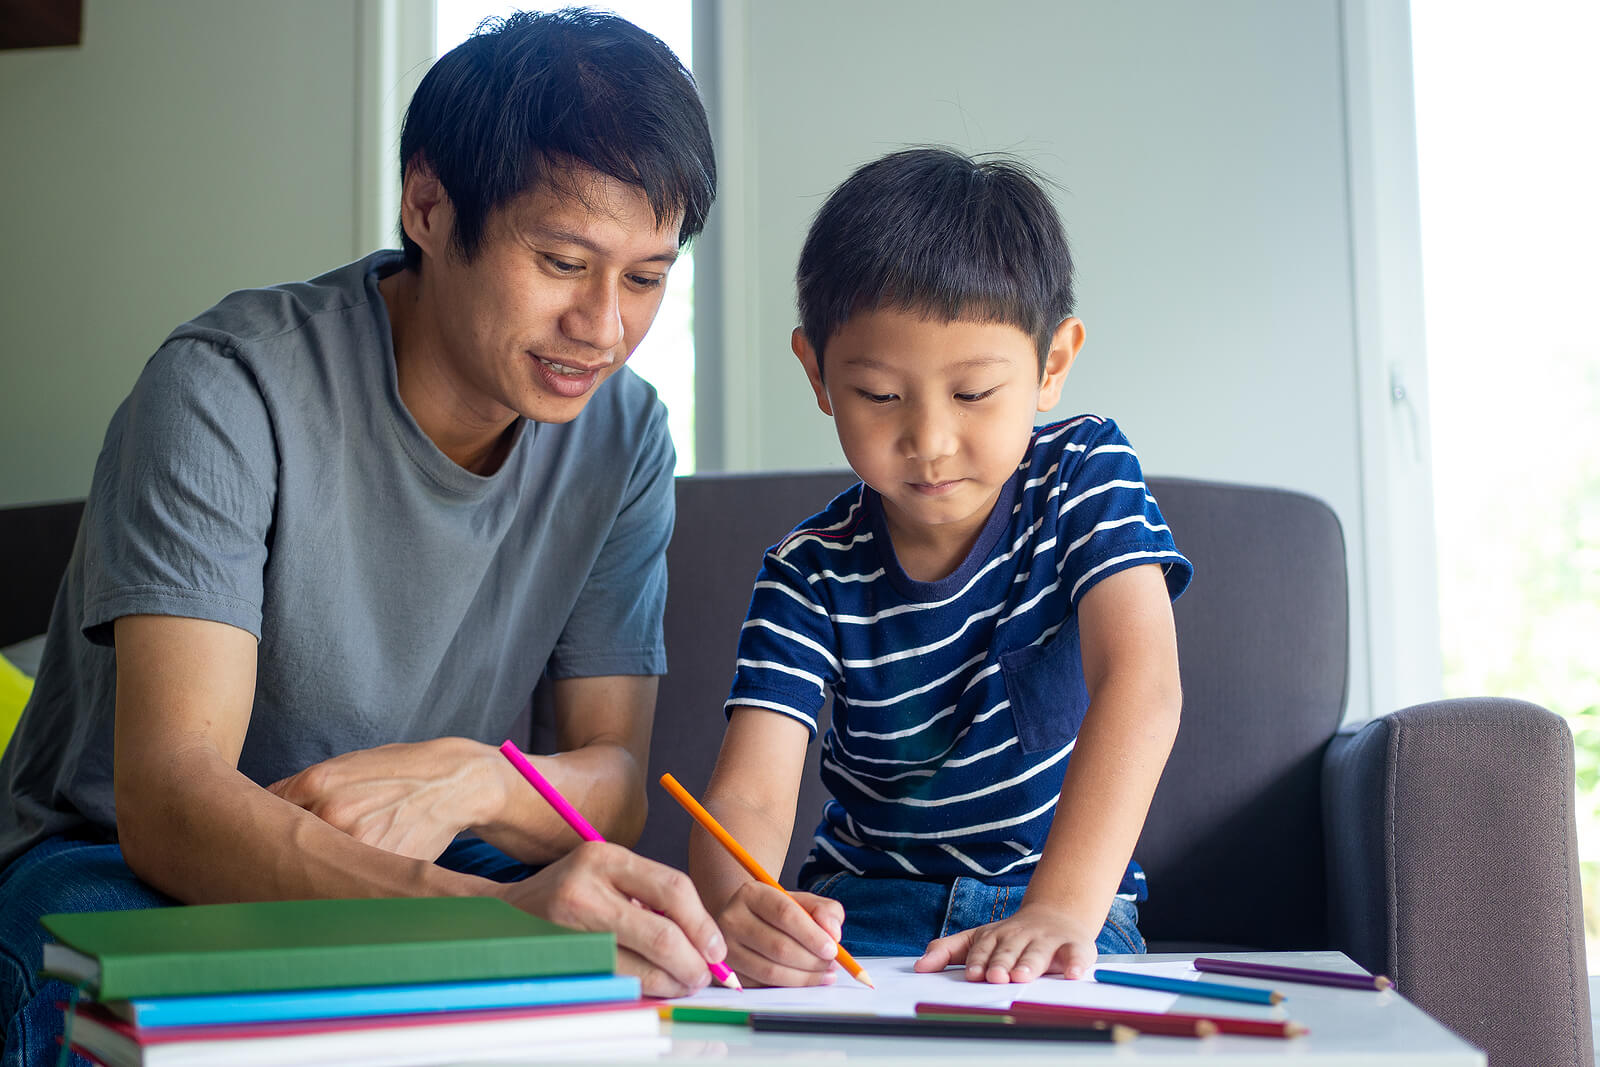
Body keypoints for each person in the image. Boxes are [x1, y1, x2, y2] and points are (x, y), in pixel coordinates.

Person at [0, 10, 727, 1064]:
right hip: (116, 859)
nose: (605, 326)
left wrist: (472, 779)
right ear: (428, 204)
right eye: (564, 261)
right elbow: (169, 799)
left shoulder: (623, 436)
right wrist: (486, 921)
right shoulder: (225, 388)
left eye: (647, 277)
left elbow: (610, 780)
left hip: (434, 847)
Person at [688, 147, 1193, 988]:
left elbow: (1143, 683)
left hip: (1064, 902)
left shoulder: (1083, 474)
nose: (928, 440)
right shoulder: (806, 574)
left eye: (972, 394)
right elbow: (751, 796)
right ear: (816, 371)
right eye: (881, 396)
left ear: (1052, 365)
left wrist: (1061, 907)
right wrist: (743, 903)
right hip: (864, 912)